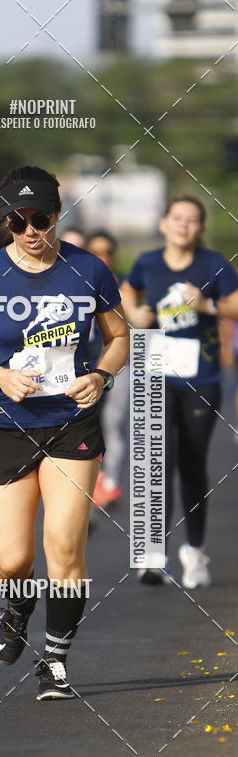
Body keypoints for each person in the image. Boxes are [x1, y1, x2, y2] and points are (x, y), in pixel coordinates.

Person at [0, 165, 129, 700]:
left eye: (41, 219)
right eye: (19, 220)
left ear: (57, 216)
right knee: (10, 561)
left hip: (70, 423)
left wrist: (100, 376)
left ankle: (54, 661)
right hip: (5, 425)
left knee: (65, 547)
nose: (31, 230)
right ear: (7, 221)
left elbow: (119, 337)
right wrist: (1, 375)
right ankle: (18, 604)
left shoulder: (88, 270)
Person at [121, 195, 238, 588]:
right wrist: (133, 313)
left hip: (200, 377)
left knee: (191, 464)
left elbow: (236, 304)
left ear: (199, 229)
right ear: (164, 223)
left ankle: (194, 550)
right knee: (157, 460)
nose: (184, 225)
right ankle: (152, 555)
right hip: (154, 371)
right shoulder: (147, 262)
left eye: (192, 220)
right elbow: (126, 291)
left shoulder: (213, 264)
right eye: (177, 218)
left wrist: (205, 304)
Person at [86, 231, 129, 509]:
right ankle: (91, 483)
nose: (102, 257)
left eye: (107, 252)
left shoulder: (124, 285)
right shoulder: (77, 283)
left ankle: (109, 482)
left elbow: (133, 325)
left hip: (119, 366)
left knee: (113, 423)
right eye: (96, 252)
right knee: (90, 426)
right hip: (87, 367)